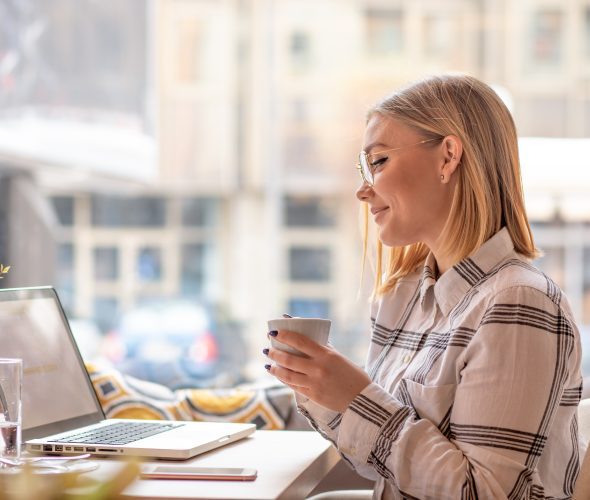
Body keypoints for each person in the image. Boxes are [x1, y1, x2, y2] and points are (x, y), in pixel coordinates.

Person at [263, 74, 583, 499]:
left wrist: (356, 398)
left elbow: (483, 493)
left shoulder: (519, 302)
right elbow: (380, 463)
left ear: (448, 157)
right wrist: (319, 387)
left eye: (378, 162)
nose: (363, 190)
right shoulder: (404, 298)